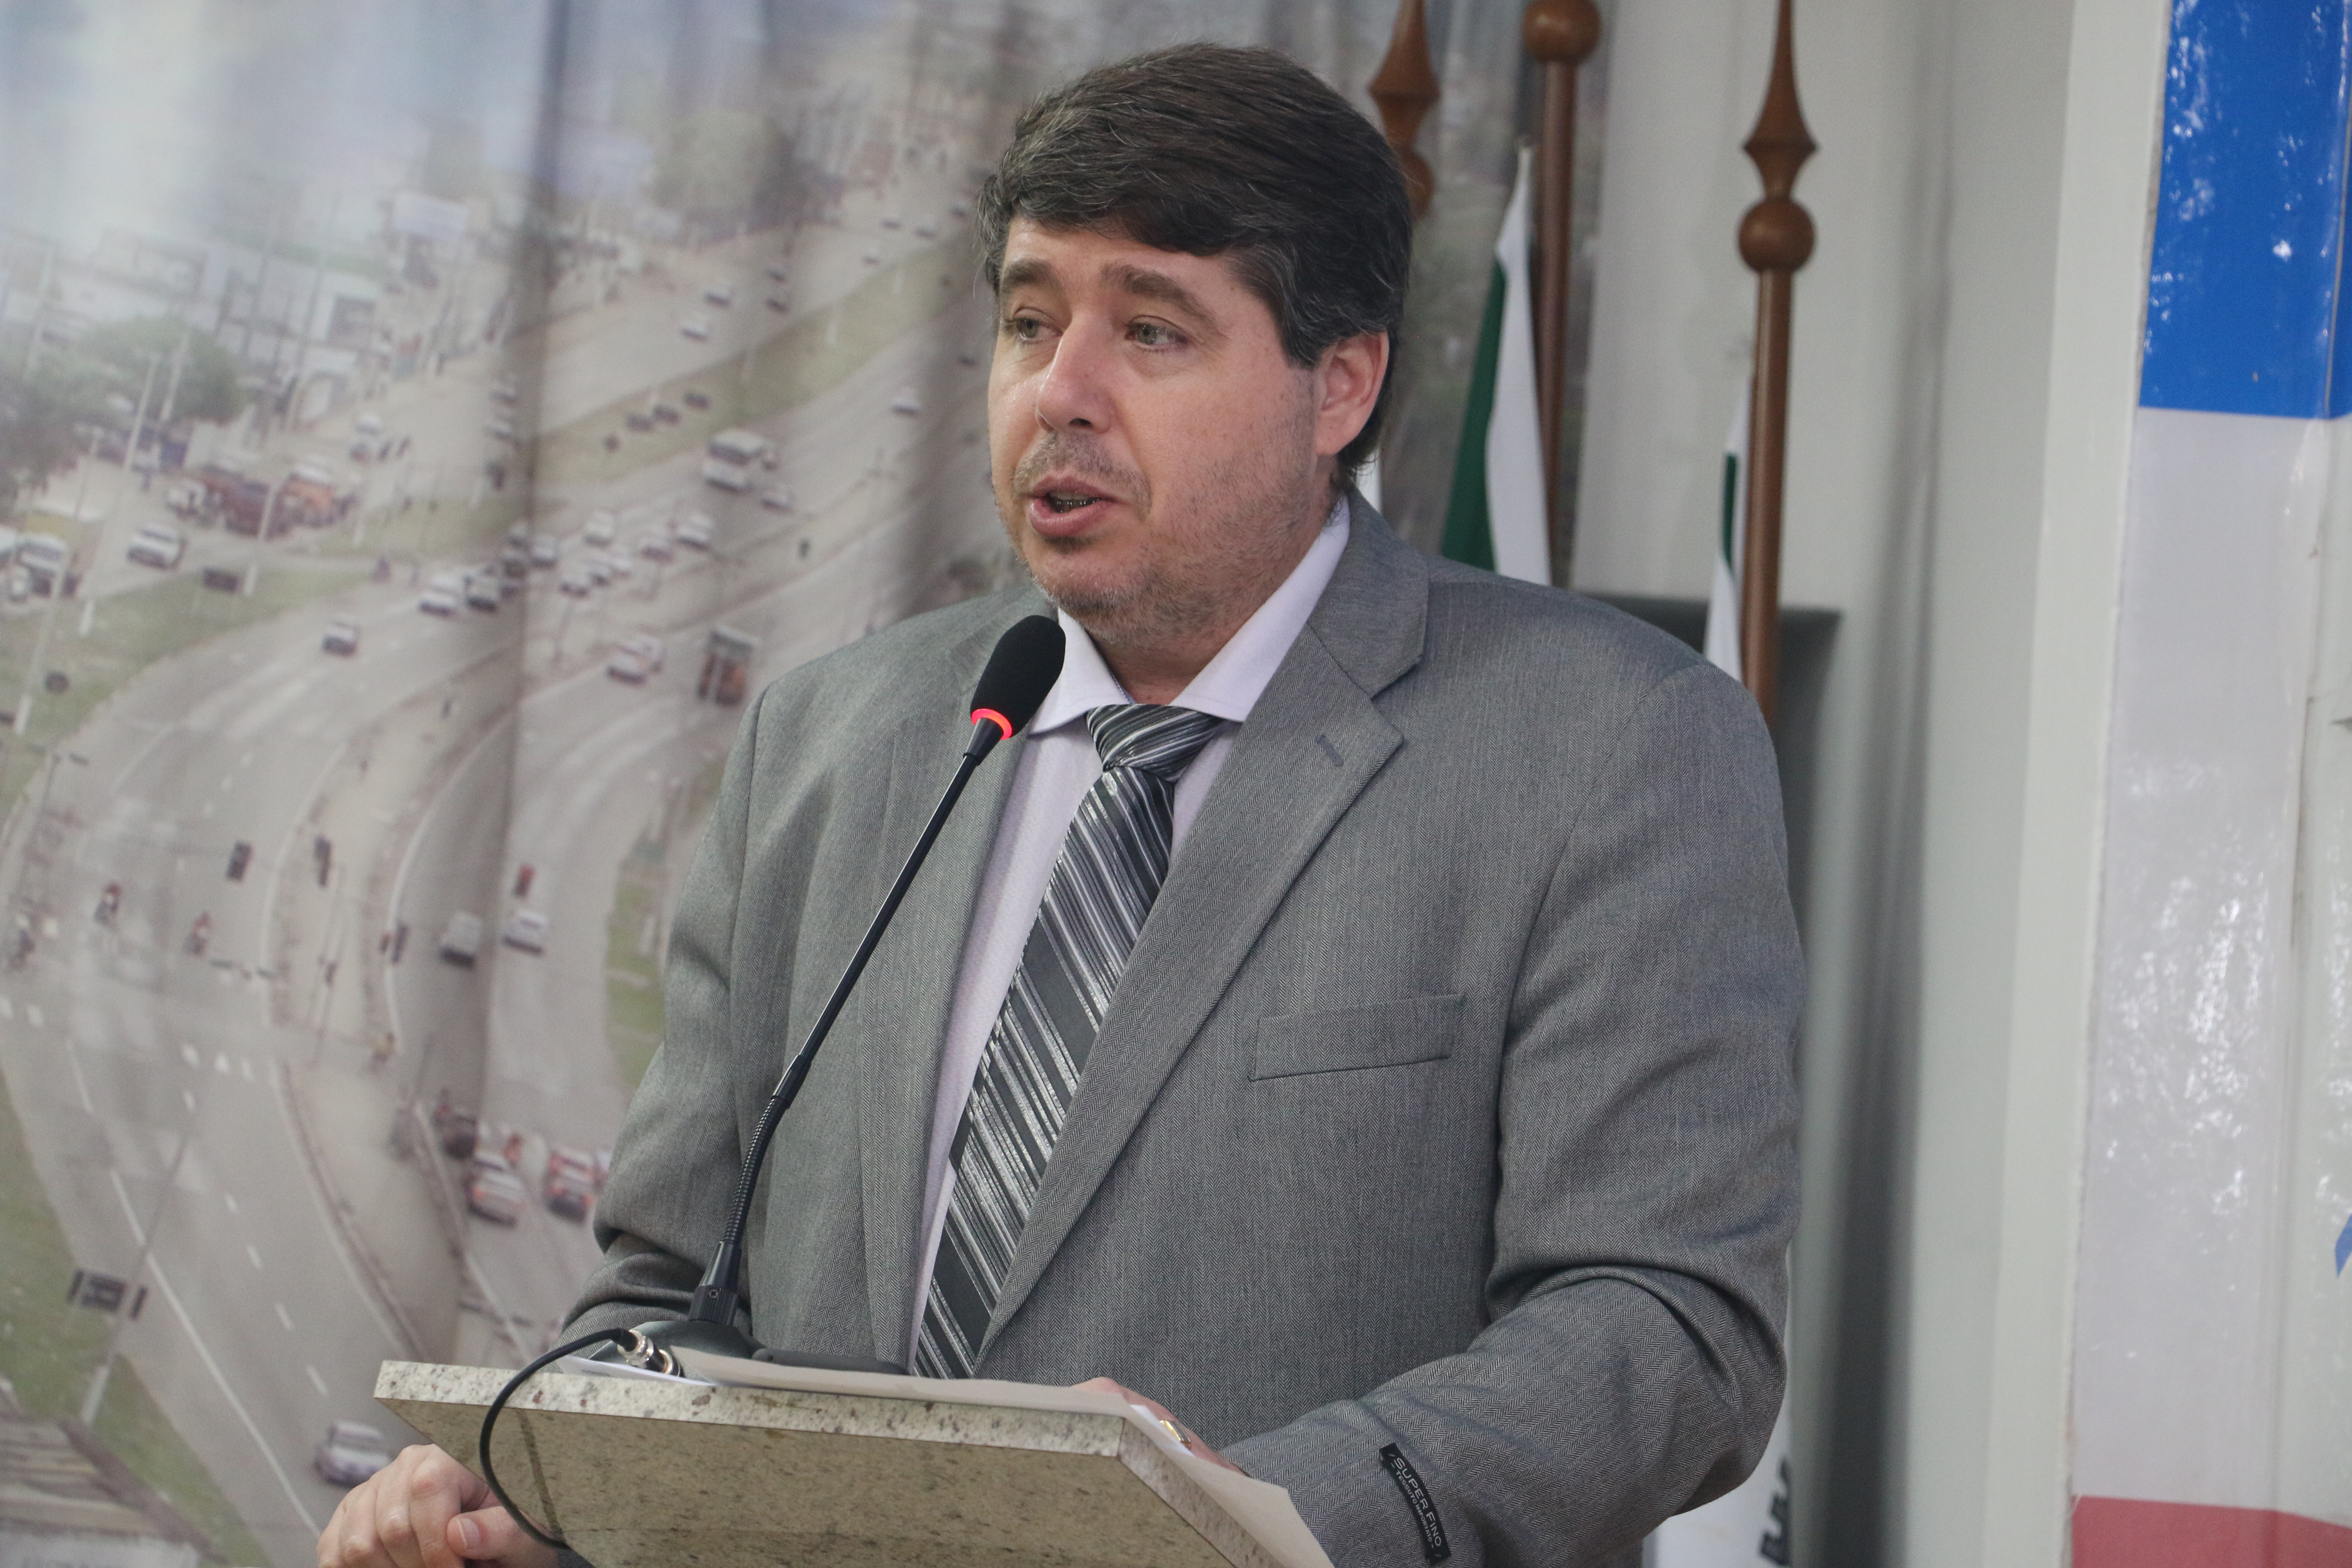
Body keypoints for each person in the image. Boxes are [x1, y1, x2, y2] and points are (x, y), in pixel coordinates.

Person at [320, 43, 1800, 1568]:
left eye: (1152, 330)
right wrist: (545, 1504)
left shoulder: (1611, 746)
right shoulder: (830, 742)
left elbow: (1668, 1325)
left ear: (1342, 385)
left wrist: (1235, 1520)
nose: (1060, 394)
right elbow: (669, 1300)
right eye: (1030, 322)